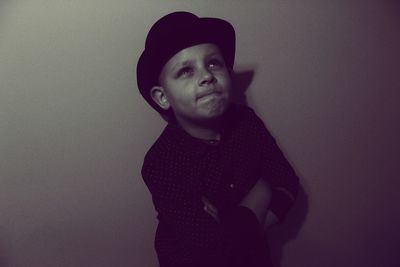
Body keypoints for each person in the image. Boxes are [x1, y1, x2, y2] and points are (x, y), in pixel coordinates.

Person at [136, 11, 299, 267]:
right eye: (186, 71)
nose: (207, 76)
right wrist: (263, 188)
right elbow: (213, 251)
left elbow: (288, 181)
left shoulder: (246, 122)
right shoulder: (161, 163)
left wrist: (245, 224)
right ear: (162, 97)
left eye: (213, 63)